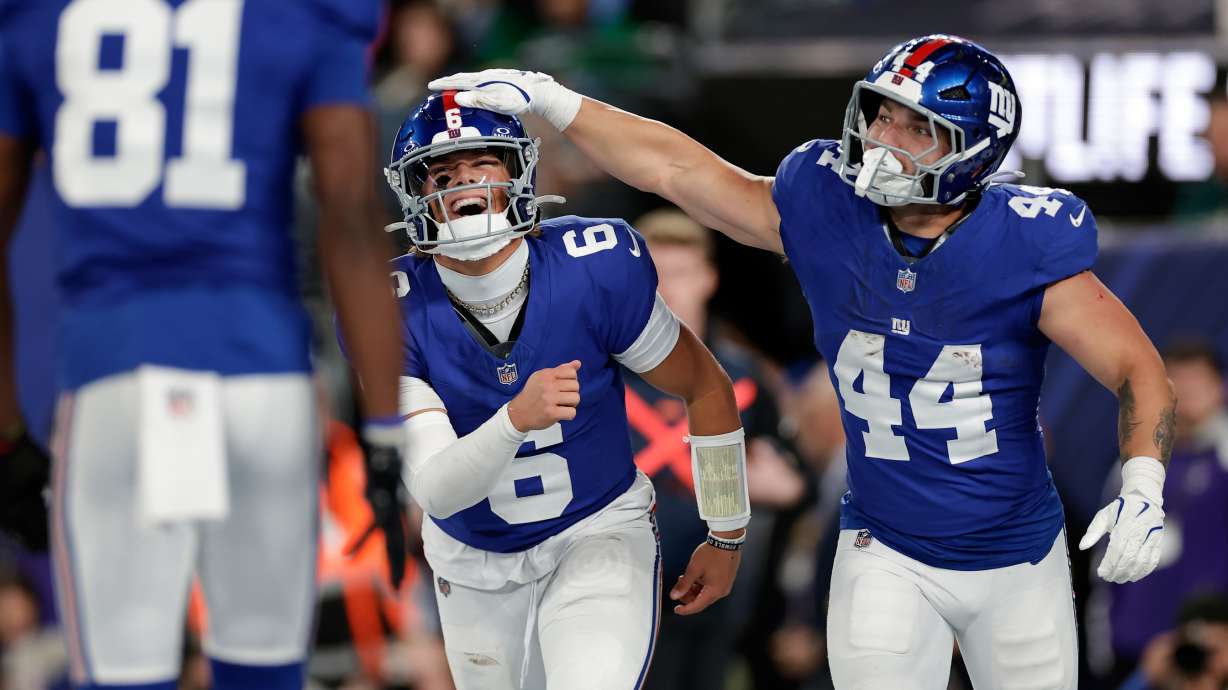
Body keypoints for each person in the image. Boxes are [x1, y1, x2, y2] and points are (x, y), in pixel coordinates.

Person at [430, 33, 1177, 690]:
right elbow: (677, 171)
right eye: (882, 112)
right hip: (883, 544)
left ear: (971, 148)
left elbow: (1137, 369)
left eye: (916, 127)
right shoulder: (827, 207)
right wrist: (558, 104)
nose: (885, 136)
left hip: (1017, 553)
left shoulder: (1023, 243)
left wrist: (1143, 479)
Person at [0, 1, 409, 688]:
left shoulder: (40, 21)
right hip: (262, 376)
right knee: (266, 672)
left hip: (113, 376)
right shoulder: (298, 18)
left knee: (123, 673)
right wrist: (387, 433)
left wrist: (8, 434)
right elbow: (352, 216)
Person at [374, 91, 748, 689]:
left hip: (596, 533)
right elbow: (438, 490)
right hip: (472, 559)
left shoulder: (592, 265)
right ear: (413, 196)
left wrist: (726, 532)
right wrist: (515, 421)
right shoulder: (388, 305)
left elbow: (705, 386)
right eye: (441, 172)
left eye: (482, 164)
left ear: (518, 172)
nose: (462, 184)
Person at [623, 208, 805, 690]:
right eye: (654, 276)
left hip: (719, 586)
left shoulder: (745, 378)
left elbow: (790, 478)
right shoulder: (599, 374)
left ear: (708, 278)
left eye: (680, 274)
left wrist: (782, 487)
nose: (667, 290)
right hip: (622, 581)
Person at [1092, 339, 1228, 682]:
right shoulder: (1131, 469)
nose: (1188, 391)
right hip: (1137, 651)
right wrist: (1104, 646)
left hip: (1216, 651)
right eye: (1177, 380)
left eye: (1199, 379)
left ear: (1220, 387)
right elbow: (1105, 562)